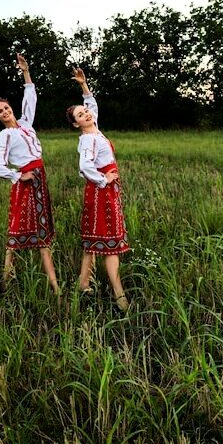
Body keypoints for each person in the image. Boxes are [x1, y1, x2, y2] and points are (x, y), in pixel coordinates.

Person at [0, 54, 60, 295]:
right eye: (1, 111)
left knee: (42, 235)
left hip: (40, 177)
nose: (6, 112)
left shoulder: (26, 124)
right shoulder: (5, 136)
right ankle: (6, 282)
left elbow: (31, 100)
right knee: (17, 232)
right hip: (26, 181)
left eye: (7, 107)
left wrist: (26, 73)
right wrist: (18, 176)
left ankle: (54, 286)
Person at [66, 68, 130, 311]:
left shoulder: (96, 130)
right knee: (109, 242)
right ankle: (119, 295)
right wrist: (104, 179)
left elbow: (91, 103)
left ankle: (83, 283)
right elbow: (84, 167)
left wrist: (83, 85)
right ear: (76, 124)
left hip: (104, 191)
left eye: (86, 112)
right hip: (100, 192)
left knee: (95, 240)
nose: (87, 115)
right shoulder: (88, 139)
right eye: (81, 116)